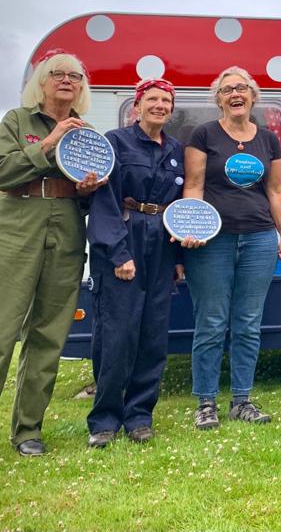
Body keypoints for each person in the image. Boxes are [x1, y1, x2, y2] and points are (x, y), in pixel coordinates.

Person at [0, 50, 106, 470]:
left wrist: (89, 190)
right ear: (41, 82)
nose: (67, 80)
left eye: (75, 76)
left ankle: (28, 430)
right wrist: (49, 144)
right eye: (58, 74)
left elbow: (90, 199)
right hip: (17, 226)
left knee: (49, 336)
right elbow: (0, 171)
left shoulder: (87, 132)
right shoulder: (17, 121)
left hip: (66, 230)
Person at [182, 66, 281, 430]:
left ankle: (241, 400)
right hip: (213, 241)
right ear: (218, 99)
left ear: (253, 96)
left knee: (248, 323)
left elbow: (275, 190)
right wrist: (191, 226)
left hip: (259, 238)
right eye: (227, 89)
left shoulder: (268, 140)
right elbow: (194, 185)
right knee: (211, 322)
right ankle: (206, 403)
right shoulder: (204, 134)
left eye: (242, 88)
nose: (235, 94)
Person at [85, 78, 185, 448]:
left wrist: (178, 257)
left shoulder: (176, 149)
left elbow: (180, 205)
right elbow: (105, 200)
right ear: (137, 106)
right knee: (117, 333)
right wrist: (118, 252)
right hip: (125, 236)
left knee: (152, 333)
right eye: (152, 99)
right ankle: (105, 420)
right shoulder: (115, 142)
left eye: (166, 101)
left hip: (161, 242)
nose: (160, 105)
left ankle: (140, 416)